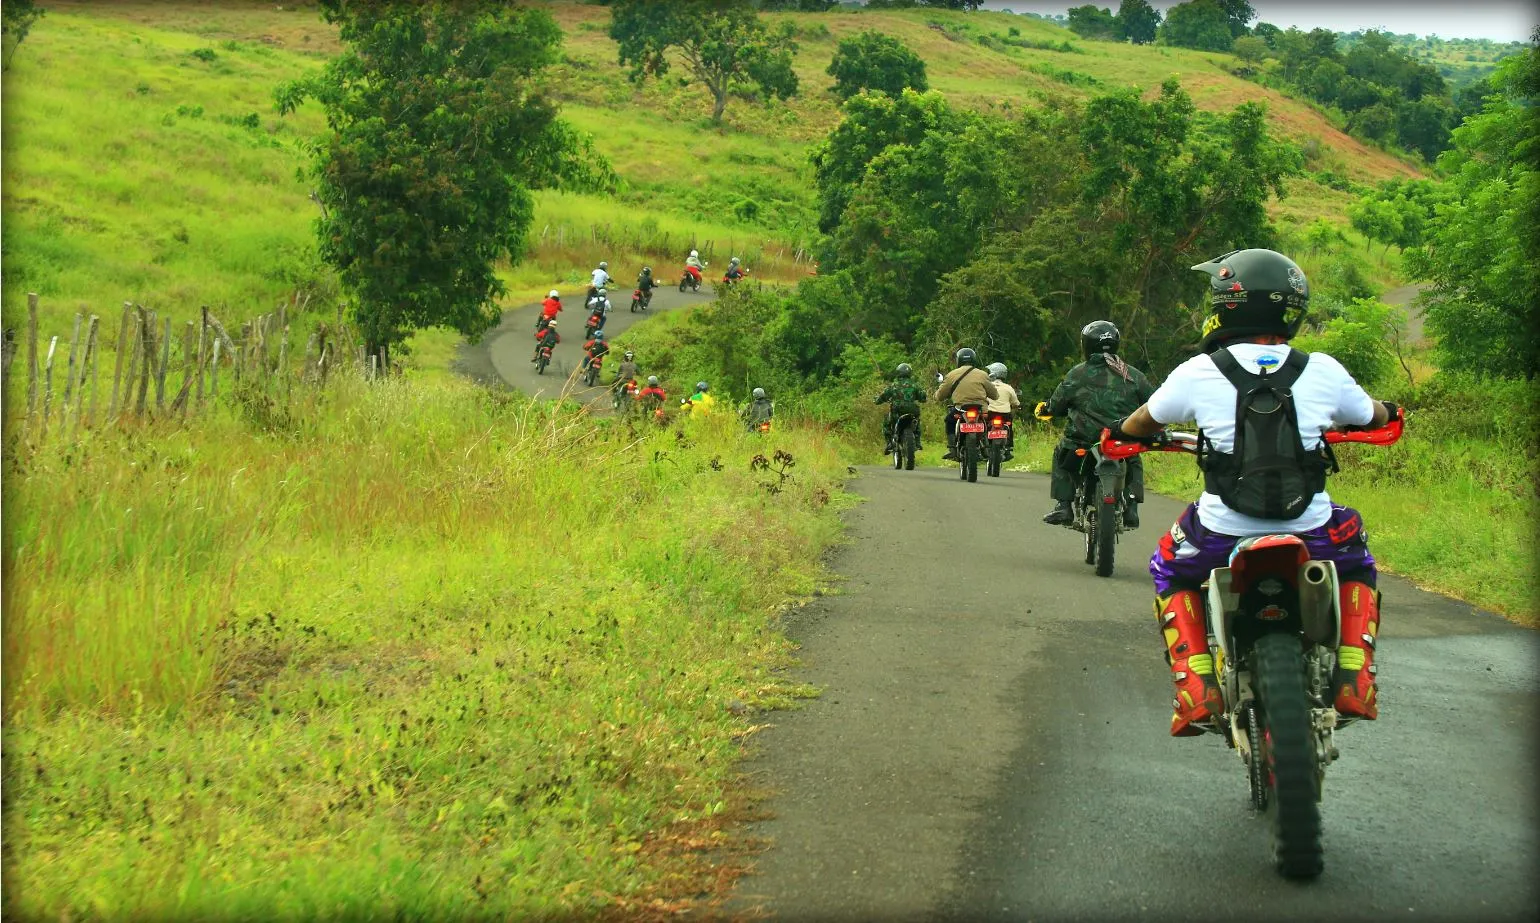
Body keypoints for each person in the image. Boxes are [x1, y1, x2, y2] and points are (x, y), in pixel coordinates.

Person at [1111, 248, 1397, 737]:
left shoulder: (1196, 372)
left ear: (1227, 304)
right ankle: (1355, 673)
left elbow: (1140, 424)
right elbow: (1373, 416)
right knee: (1357, 558)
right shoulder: (1323, 369)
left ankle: (1196, 685)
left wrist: (1127, 433)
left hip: (1220, 534)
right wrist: (1388, 411)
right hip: (1316, 530)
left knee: (1168, 566)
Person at [1037, 320, 1153, 529]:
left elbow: (1056, 405)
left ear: (1086, 345)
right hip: (1121, 440)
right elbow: (1155, 405)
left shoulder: (1078, 373)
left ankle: (1064, 505)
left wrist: (1046, 409)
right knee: (1133, 457)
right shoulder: (1134, 375)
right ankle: (1132, 508)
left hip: (1082, 441)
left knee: (1060, 452)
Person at [934, 347, 998, 461]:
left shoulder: (952, 375)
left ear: (959, 360)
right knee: (989, 423)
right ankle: (987, 447)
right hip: (981, 410)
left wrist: (937, 396)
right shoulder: (983, 374)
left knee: (949, 421)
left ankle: (952, 449)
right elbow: (995, 395)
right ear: (974, 360)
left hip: (960, 409)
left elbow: (940, 396)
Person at [874, 363, 928, 452]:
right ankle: (917, 442)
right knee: (917, 423)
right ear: (910, 373)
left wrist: (877, 400)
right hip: (912, 410)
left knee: (886, 422)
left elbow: (883, 397)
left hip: (897, 411)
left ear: (898, 373)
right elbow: (923, 398)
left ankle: (889, 443)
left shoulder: (893, 385)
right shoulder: (915, 385)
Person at [985, 362, 1022, 461]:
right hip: (1004, 415)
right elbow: (1015, 402)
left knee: (983, 426)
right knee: (1008, 426)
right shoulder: (1008, 387)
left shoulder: (987, 386)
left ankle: (983, 443)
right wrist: (1017, 406)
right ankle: (1008, 448)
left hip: (990, 414)